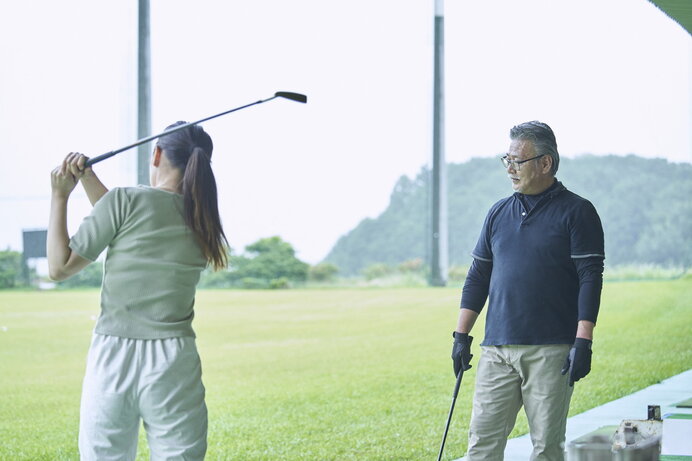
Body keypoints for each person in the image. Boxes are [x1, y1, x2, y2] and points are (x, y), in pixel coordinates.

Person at [47, 122, 228, 460]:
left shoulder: (126, 201)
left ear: (156, 154)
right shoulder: (203, 219)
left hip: (114, 355)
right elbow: (128, 219)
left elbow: (59, 268)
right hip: (175, 361)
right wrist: (88, 179)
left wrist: (60, 196)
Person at [450, 121, 605, 461]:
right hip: (496, 349)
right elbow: (478, 275)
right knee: (481, 444)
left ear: (545, 163)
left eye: (517, 160)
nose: (509, 167)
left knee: (546, 448)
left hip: (550, 351)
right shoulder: (498, 213)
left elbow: (590, 277)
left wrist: (583, 341)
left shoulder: (578, 211)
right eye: (506, 158)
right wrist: (461, 335)